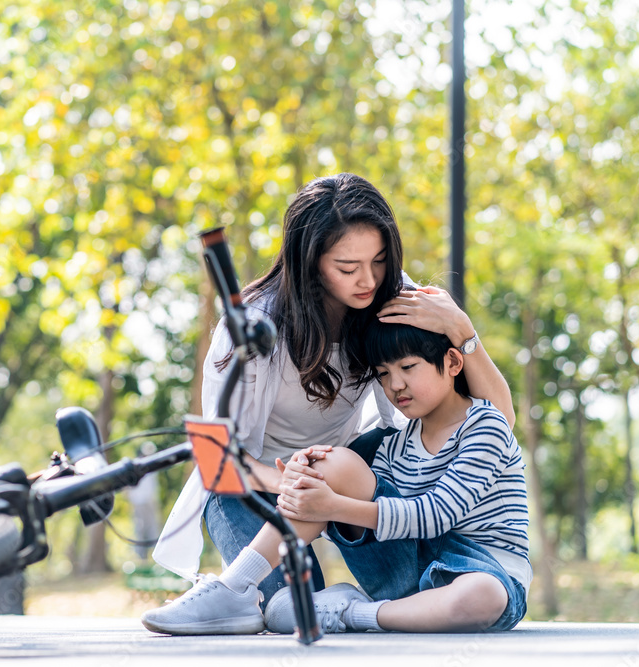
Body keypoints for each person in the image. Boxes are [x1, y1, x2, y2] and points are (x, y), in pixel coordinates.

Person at [149, 173, 516, 625]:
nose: (368, 280)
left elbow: (498, 422)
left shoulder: (392, 297)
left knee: (305, 610)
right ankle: (233, 588)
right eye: (347, 268)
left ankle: (342, 595)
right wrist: (295, 485)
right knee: (283, 612)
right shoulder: (251, 325)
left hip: (337, 469)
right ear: (310, 263)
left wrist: (461, 329)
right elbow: (215, 457)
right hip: (247, 485)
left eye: (379, 261)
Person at [143, 319, 530, 635]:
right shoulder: (396, 445)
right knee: (335, 463)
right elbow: (360, 514)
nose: (395, 385)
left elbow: (436, 515)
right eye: (383, 373)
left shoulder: (485, 425)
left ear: (452, 363)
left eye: (408, 368)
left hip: (484, 570)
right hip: (412, 568)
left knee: (483, 595)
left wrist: (333, 505)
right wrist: (306, 472)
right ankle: (236, 585)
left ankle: (354, 612)